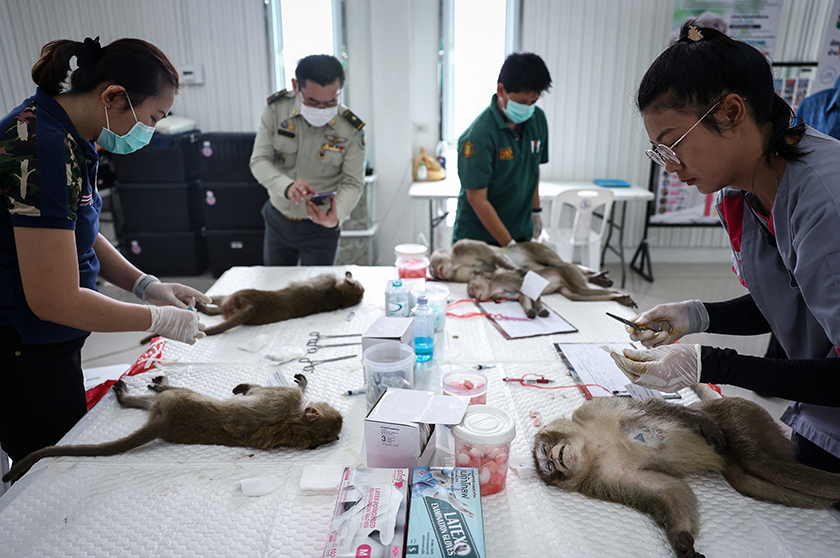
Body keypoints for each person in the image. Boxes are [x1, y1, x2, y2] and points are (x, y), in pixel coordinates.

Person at [610, 23, 840, 472]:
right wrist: (698, 315)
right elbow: (790, 302)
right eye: (660, 153)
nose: (671, 166)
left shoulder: (826, 202)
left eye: (673, 143)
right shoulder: (742, 193)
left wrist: (712, 363)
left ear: (732, 112)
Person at [0, 37, 210, 465]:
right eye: (151, 118)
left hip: (49, 337)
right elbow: (53, 299)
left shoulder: (73, 135)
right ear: (113, 96)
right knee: (50, 473)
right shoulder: (40, 147)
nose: (148, 132)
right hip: (21, 344)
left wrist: (145, 285)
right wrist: (160, 319)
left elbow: (77, 227)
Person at [250, 54, 365, 266]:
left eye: (331, 101)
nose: (322, 109)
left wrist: (336, 215)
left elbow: (353, 182)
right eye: (312, 101)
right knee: (277, 292)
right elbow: (259, 160)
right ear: (296, 87)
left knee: (318, 293)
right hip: (278, 219)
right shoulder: (276, 111)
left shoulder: (350, 128)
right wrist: (287, 186)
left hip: (321, 228)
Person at [451, 52, 552, 247]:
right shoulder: (478, 136)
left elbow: (533, 168)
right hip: (479, 241)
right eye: (522, 102)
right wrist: (509, 246)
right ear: (501, 91)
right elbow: (477, 199)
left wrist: (535, 211)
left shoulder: (537, 120)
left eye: (534, 102)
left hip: (519, 232)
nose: (528, 108)